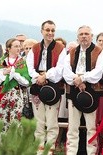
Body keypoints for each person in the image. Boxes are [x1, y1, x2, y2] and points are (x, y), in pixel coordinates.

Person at [26, 20, 67, 155]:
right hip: (37, 86)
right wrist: (38, 77)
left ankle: (49, 150)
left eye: (52, 30)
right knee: (39, 121)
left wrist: (46, 76)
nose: (50, 33)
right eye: (47, 30)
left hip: (53, 87)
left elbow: (61, 68)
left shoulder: (60, 48)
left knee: (52, 122)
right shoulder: (35, 48)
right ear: (42, 31)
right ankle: (39, 150)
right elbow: (29, 66)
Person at [63, 25, 103, 155]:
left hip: (92, 93)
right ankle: (71, 152)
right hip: (74, 91)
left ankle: (91, 153)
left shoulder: (99, 51)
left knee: (91, 127)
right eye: (81, 34)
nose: (84, 36)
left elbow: (98, 72)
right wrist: (77, 79)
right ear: (77, 37)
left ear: (91, 36)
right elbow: (66, 72)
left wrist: (83, 79)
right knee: (72, 127)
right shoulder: (72, 52)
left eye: (87, 34)